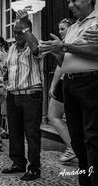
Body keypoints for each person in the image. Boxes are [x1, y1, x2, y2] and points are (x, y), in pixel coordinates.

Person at [40, 0, 98, 186]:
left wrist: (64, 45)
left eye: (74, 0)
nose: (70, 5)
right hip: (70, 84)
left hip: (92, 83)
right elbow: (65, 61)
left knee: (92, 139)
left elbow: (95, 50)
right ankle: (84, 181)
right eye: (69, 2)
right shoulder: (73, 28)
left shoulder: (97, 22)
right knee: (77, 139)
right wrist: (57, 52)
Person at [2, 10, 43, 181]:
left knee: (32, 133)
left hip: (30, 95)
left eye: (20, 32)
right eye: (14, 33)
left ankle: (34, 168)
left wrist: (26, 26)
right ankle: (18, 162)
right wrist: (4, 78)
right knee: (15, 131)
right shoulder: (11, 48)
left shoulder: (34, 44)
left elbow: (36, 50)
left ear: (27, 31)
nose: (16, 36)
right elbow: (9, 69)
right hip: (13, 94)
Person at [47, 18, 76, 163]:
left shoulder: (68, 42)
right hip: (71, 82)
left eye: (63, 28)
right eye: (59, 29)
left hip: (66, 81)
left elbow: (61, 65)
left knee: (53, 115)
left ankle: (72, 147)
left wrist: (53, 85)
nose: (60, 31)